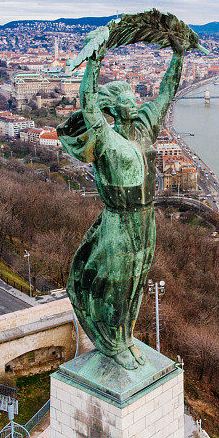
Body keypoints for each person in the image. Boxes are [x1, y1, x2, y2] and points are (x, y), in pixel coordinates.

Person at [57, 35, 191, 369]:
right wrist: (95, 60)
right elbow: (87, 102)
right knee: (115, 284)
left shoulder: (145, 129)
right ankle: (111, 342)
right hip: (119, 219)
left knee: (136, 283)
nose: (132, 101)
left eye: (133, 95)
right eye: (124, 97)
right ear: (112, 107)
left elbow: (165, 93)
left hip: (146, 218)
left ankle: (126, 338)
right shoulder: (103, 135)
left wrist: (179, 53)